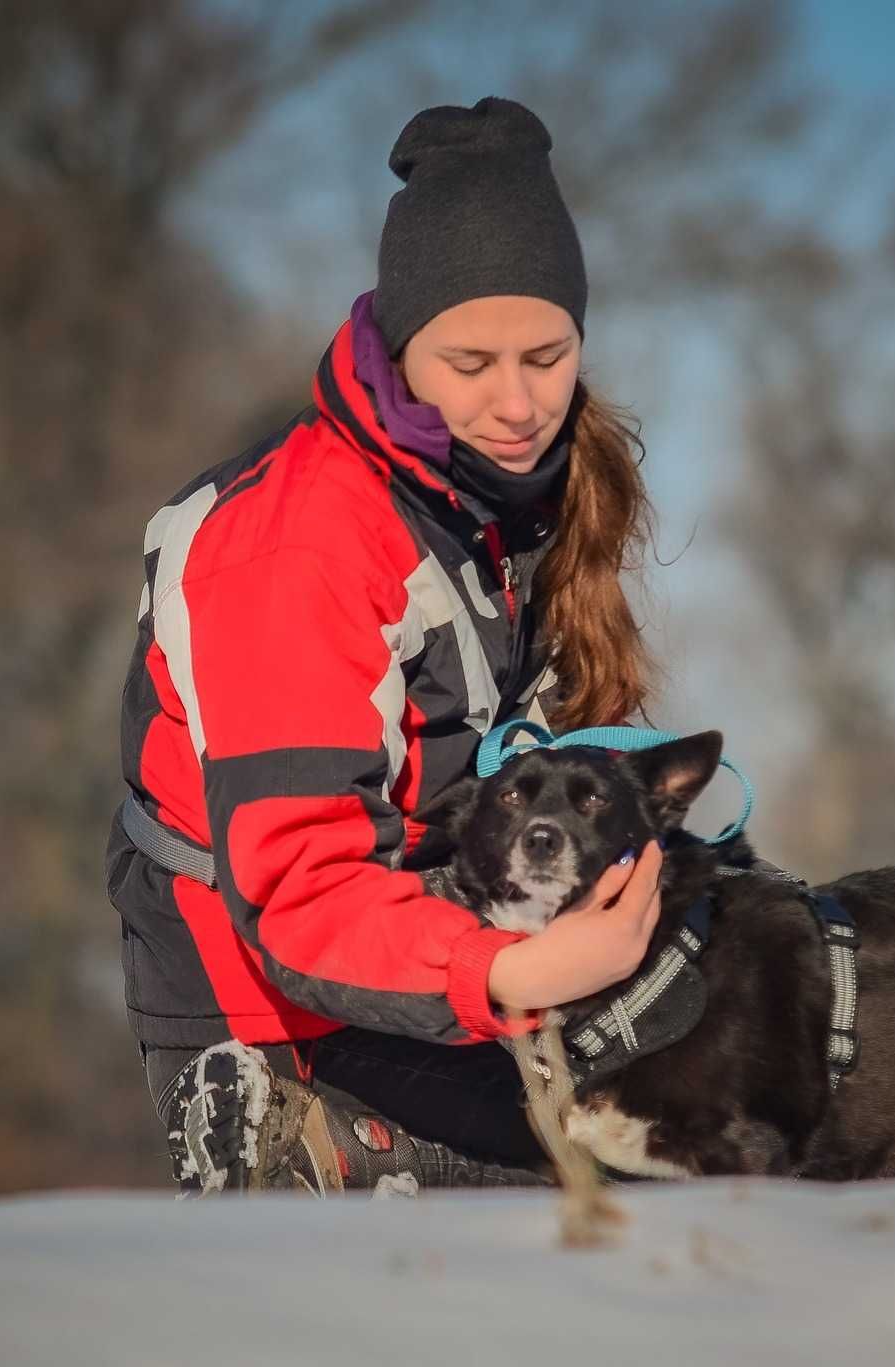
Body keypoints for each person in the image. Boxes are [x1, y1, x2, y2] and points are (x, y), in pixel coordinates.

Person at [106, 96, 671, 1194]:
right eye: (470, 363)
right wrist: (521, 967)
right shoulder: (301, 541)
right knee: (631, 1184)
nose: (516, 402)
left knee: (727, 1106)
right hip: (273, 1014)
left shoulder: (496, 504)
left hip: (433, 968)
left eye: (547, 356)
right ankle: (297, 1148)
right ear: (399, 347)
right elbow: (299, 894)